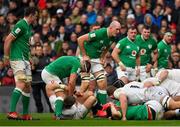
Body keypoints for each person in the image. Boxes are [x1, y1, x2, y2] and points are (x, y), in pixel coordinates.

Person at [4, 7, 38, 120]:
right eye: (35, 15)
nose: (36, 18)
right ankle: (11, 112)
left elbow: (24, 44)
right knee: (22, 83)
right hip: (17, 59)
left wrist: (30, 58)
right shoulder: (21, 24)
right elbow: (8, 40)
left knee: (27, 87)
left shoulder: (27, 26)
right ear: (31, 15)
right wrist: (6, 56)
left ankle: (25, 114)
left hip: (25, 59)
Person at [77, 20, 121, 105]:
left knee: (103, 82)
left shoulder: (112, 37)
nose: (118, 32)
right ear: (111, 28)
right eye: (117, 29)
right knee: (85, 85)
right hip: (86, 60)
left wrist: (102, 56)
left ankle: (103, 107)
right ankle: (76, 106)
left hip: (96, 60)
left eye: (119, 30)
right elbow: (80, 39)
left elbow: (107, 47)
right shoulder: (100, 33)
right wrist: (84, 55)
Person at [109, 82, 180, 120]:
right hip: (154, 92)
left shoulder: (117, 92)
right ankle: (177, 112)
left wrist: (124, 116)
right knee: (167, 110)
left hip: (151, 95)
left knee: (173, 105)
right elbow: (148, 83)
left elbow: (123, 99)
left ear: (111, 96)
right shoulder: (128, 85)